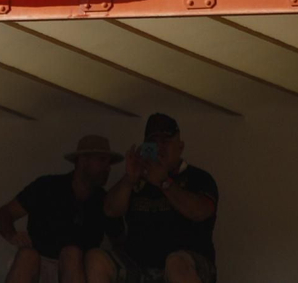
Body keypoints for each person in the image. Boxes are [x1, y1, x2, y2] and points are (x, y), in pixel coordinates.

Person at [87, 114, 218, 283]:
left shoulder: (198, 178)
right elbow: (110, 210)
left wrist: (164, 182)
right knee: (96, 259)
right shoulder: (137, 180)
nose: (159, 147)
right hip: (140, 266)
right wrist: (129, 179)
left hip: (188, 265)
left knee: (176, 263)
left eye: (165, 141)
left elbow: (200, 212)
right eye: (153, 142)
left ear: (180, 147)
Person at [0, 134, 122, 283]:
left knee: (71, 254)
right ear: (83, 160)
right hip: (38, 265)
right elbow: (5, 213)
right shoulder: (47, 187)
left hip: (79, 269)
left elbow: (119, 239)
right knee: (27, 256)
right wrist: (12, 235)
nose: (108, 168)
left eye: (109, 163)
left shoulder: (104, 201)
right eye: (102, 160)